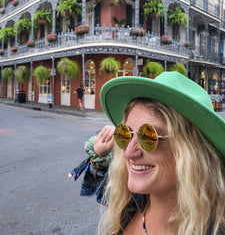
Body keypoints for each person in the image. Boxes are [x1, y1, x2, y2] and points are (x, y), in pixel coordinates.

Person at [69, 72, 225, 235]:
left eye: (149, 136)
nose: (129, 153)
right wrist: (99, 157)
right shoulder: (134, 200)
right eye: (125, 133)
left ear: (192, 151)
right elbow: (107, 188)